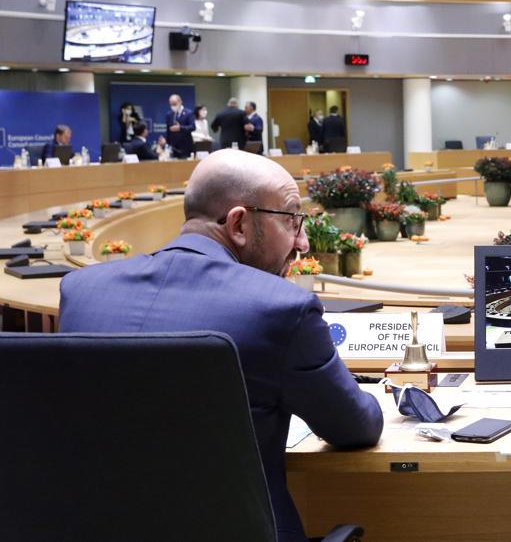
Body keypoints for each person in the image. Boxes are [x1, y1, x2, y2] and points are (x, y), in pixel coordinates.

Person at [58, 149, 384, 542]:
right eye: (293, 220)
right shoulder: (282, 309)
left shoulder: (82, 292)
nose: (302, 242)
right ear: (239, 224)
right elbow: (356, 427)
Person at [164, 94, 195, 159]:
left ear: (180, 102)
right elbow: (168, 131)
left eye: (174, 104)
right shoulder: (169, 114)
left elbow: (192, 127)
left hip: (186, 146)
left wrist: (180, 128)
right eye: (171, 104)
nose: (173, 106)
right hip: (174, 147)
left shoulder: (189, 113)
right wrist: (167, 144)